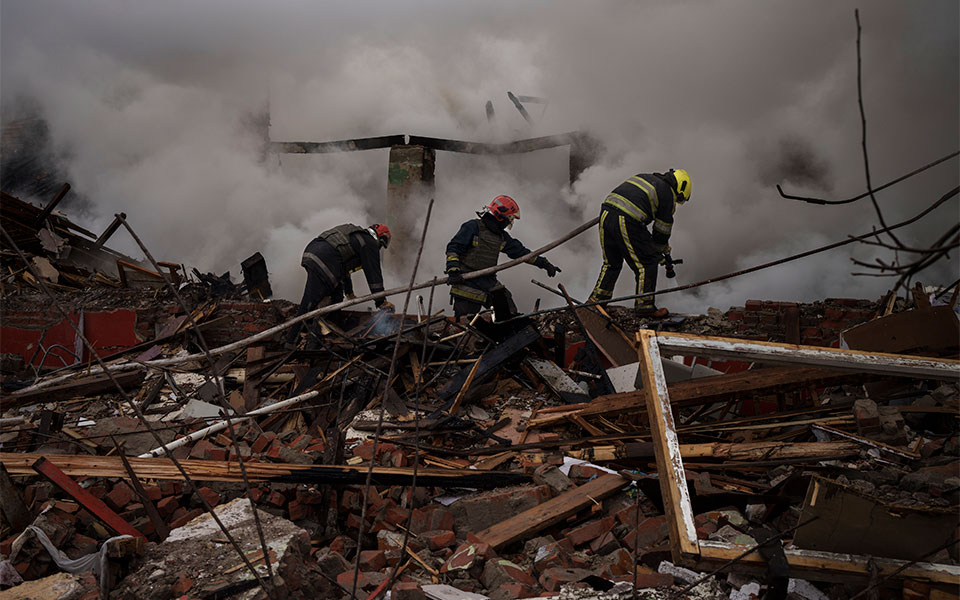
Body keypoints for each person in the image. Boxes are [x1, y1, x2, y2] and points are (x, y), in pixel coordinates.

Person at [588, 169, 691, 317]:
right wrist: (659, 250)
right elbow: (662, 230)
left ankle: (596, 303)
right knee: (647, 264)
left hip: (606, 213)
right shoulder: (667, 193)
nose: (676, 201)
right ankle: (645, 307)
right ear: (680, 189)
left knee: (611, 264)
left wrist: (655, 247)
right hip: (625, 219)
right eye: (679, 198)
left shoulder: (647, 178)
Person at [445, 195, 561, 321]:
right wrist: (453, 270)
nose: (508, 222)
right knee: (466, 325)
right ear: (501, 217)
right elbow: (454, 248)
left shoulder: (501, 237)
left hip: (488, 280)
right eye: (509, 218)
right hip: (466, 280)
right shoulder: (472, 227)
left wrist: (544, 263)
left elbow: (521, 253)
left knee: (507, 310)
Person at [285, 223, 393, 347]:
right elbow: (373, 273)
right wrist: (381, 301)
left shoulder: (358, 237)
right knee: (310, 302)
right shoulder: (369, 243)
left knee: (336, 298)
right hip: (325, 260)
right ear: (381, 239)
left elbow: (343, 268)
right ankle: (291, 340)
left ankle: (330, 332)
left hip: (315, 254)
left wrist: (349, 292)